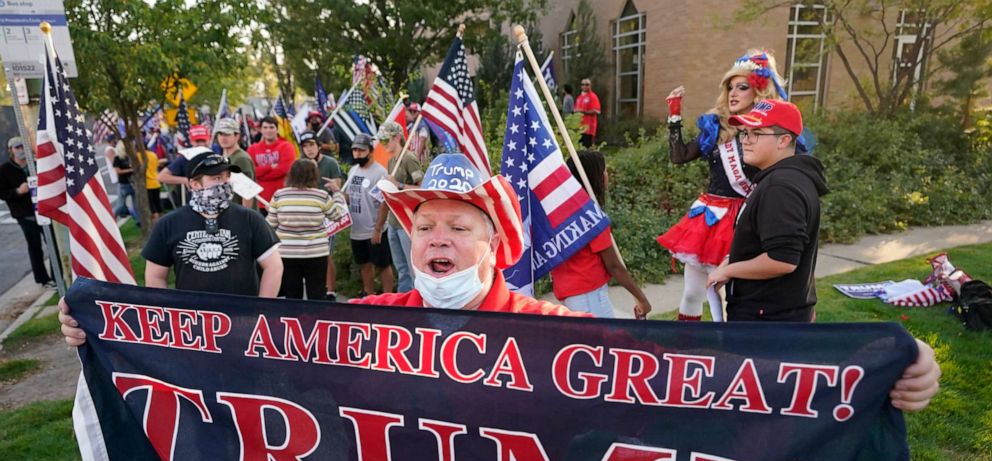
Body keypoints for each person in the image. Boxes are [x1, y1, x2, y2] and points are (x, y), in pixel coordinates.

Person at [59, 151, 944, 413]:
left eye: (458, 225)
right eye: (424, 227)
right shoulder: (369, 318)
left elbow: (690, 380)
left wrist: (877, 375)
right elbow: (255, 351)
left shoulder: (546, 322)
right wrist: (112, 327)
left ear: (491, 241)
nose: (437, 238)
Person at [657, 50, 788, 321]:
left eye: (742, 86)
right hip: (709, 219)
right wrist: (674, 115)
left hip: (744, 219)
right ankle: (686, 348)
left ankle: (727, 355)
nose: (733, 92)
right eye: (730, 86)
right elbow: (678, 156)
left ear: (760, 91)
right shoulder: (717, 126)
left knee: (731, 299)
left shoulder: (772, 131)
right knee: (693, 293)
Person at [706, 99, 827, 322]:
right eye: (745, 133)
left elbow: (782, 260)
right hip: (776, 313)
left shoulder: (779, 188)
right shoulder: (781, 179)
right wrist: (732, 259)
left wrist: (728, 271)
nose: (746, 141)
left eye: (757, 133)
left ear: (783, 140)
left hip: (767, 320)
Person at [139, 151, 282, 296]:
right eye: (217, 178)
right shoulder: (168, 224)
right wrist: (168, 311)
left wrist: (261, 308)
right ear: (194, 184)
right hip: (193, 316)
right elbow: (155, 275)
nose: (225, 183)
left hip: (241, 315)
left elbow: (274, 266)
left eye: (227, 176)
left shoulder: (250, 219)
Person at [550, 150, 651, 318]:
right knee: (606, 342)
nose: (607, 174)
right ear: (593, 176)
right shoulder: (592, 216)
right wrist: (642, 299)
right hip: (590, 296)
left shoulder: (558, 213)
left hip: (569, 295)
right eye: (604, 170)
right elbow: (614, 266)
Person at [266, 159, 335, 300]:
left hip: (287, 253)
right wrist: (338, 194)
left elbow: (270, 224)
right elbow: (337, 215)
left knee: (292, 295)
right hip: (316, 252)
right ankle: (316, 320)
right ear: (313, 175)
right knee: (316, 294)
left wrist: (273, 210)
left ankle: (294, 320)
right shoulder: (321, 196)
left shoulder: (280, 195)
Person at [372, 121, 424, 293]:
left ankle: (417, 302)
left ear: (397, 138)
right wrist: (379, 226)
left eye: (386, 140)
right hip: (393, 222)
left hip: (407, 221)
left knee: (412, 268)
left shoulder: (408, 158)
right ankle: (404, 302)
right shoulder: (391, 161)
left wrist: (399, 185)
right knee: (401, 269)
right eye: (382, 141)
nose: (383, 144)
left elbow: (423, 188)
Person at [0, 136, 56, 286]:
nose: (20, 151)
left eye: (22, 147)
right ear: (11, 150)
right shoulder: (5, 170)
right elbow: (3, 193)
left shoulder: (35, 164)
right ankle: (43, 279)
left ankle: (57, 275)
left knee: (52, 243)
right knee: (35, 246)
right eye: (17, 148)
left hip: (43, 210)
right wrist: (18, 191)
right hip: (24, 214)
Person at [297, 131, 344, 300]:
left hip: (327, 213)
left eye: (311, 145)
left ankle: (330, 291)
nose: (309, 149)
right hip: (306, 214)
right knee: (309, 254)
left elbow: (337, 185)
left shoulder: (330, 163)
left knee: (327, 253)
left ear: (318, 146)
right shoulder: (300, 165)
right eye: (305, 146)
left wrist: (332, 185)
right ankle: (314, 288)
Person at [345, 133, 392, 296]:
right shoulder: (352, 171)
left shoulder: (380, 172)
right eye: (355, 150)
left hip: (374, 228)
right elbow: (351, 197)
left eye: (361, 150)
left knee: (383, 265)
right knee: (364, 264)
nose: (357, 153)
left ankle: (388, 298)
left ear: (371, 151)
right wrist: (338, 194)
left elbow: (384, 203)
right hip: (357, 229)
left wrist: (378, 229)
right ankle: (369, 297)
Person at [158, 124, 213, 209]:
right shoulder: (185, 158)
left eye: (203, 140)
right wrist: (186, 180)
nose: (201, 144)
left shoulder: (216, 156)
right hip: (194, 205)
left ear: (209, 139)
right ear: (191, 141)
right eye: (197, 141)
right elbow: (161, 177)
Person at [247, 116, 296, 211]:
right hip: (260, 201)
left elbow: (284, 169)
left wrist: (260, 173)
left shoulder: (287, 146)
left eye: (271, 127)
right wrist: (270, 167)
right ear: (260, 130)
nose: (268, 130)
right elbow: (251, 171)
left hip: (282, 199)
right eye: (265, 127)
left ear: (277, 129)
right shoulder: (252, 149)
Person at [215, 117, 256, 208]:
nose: (223, 138)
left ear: (237, 136)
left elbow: (248, 193)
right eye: (220, 134)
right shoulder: (223, 157)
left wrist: (244, 218)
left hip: (239, 214)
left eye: (227, 134)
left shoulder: (241, 159)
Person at [111, 141, 137, 224]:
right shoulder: (117, 158)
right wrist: (131, 170)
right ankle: (112, 220)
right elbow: (118, 171)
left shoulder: (131, 157)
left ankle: (139, 222)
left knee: (137, 205)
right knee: (120, 205)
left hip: (134, 183)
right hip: (123, 184)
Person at [574, 78, 601, 148]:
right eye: (583, 84)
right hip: (579, 128)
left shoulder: (593, 96)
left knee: (588, 149)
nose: (585, 86)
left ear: (590, 86)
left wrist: (584, 112)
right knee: (580, 148)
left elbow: (597, 111)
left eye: (587, 84)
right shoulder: (579, 98)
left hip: (589, 129)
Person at [141, 145, 162, 223]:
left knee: (152, 208)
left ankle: (156, 224)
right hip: (156, 181)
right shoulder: (153, 154)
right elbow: (157, 165)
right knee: (157, 204)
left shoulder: (139, 156)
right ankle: (161, 221)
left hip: (147, 184)